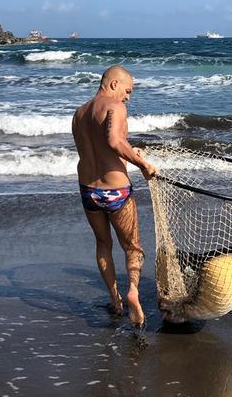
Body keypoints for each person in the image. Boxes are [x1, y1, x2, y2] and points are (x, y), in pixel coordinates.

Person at [72, 65, 157, 328]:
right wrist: (144, 165)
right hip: (116, 191)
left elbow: (103, 146)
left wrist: (131, 151)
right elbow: (113, 140)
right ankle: (132, 290)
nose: (128, 97)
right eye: (127, 90)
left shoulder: (80, 113)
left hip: (89, 189)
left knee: (103, 244)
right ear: (113, 84)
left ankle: (115, 299)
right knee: (132, 247)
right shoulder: (115, 107)